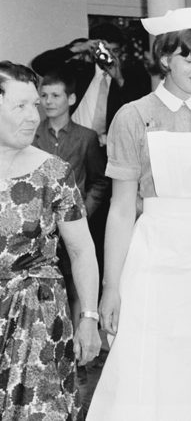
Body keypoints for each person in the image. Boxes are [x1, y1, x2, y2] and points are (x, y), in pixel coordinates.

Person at [86, 8, 191, 420]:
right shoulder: (133, 116)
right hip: (154, 258)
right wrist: (111, 286)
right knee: (150, 368)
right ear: (164, 58)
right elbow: (122, 209)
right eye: (189, 58)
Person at [0, 61, 101, 419]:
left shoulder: (53, 172)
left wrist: (89, 317)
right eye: (20, 106)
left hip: (38, 316)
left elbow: (81, 248)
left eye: (35, 105)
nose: (33, 116)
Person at [33, 69, 109, 368]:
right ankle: (49, 349)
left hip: (75, 228)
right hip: (40, 232)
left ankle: (79, 351)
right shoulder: (31, 135)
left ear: (72, 98)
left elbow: (100, 181)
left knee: (79, 287)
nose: (48, 101)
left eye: (55, 95)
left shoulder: (86, 138)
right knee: (48, 290)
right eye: (44, 95)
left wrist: (82, 214)